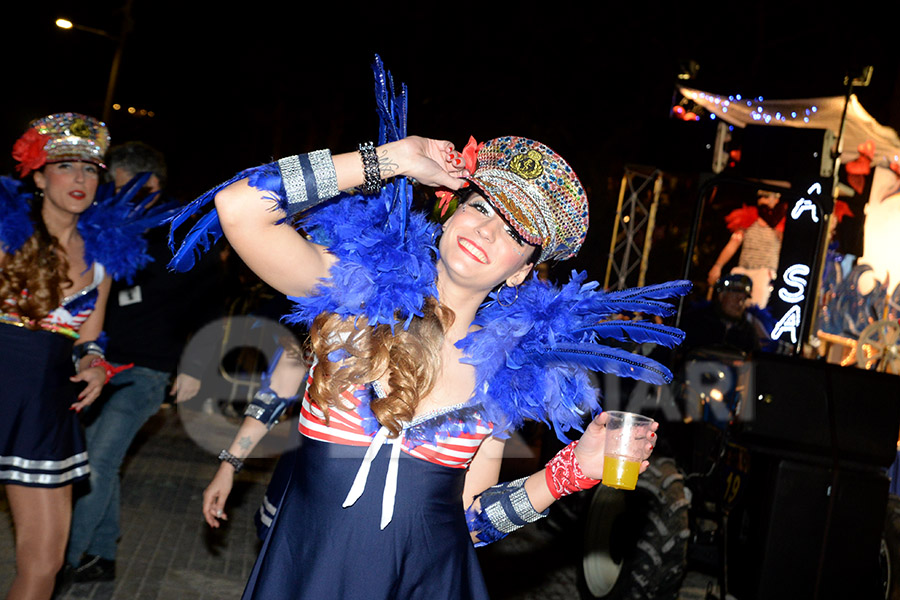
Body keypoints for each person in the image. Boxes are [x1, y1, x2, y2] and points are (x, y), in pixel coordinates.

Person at [168, 64, 688, 599]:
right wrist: (389, 160)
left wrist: (568, 474)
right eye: (482, 207)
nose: (486, 229)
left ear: (520, 272)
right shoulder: (354, 297)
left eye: (514, 234)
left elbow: (471, 524)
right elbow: (239, 205)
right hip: (308, 572)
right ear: (452, 212)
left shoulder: (504, 377)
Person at [0, 114, 160, 600]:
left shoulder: (103, 254)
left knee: (46, 564)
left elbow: (88, 338)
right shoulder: (6, 235)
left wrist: (93, 365)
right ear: (40, 174)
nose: (80, 180)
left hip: (47, 408)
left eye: (91, 170)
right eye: (66, 166)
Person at [65, 141, 224, 582]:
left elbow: (209, 303)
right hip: (97, 364)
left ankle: (64, 561)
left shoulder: (182, 233)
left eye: (120, 187)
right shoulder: (108, 224)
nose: (110, 196)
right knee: (101, 460)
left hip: (146, 369)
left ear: (150, 184)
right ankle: (101, 555)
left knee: (97, 463)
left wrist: (195, 365)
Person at [707, 189, 785, 308]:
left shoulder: (780, 224)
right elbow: (733, 243)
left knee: (755, 308)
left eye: (766, 196)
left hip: (764, 273)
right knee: (730, 305)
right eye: (760, 196)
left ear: (776, 199)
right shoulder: (749, 219)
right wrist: (718, 265)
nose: (762, 200)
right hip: (743, 271)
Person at [680, 273, 762, 355]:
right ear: (721, 296)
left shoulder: (749, 333)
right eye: (735, 297)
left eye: (743, 299)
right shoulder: (695, 321)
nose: (739, 303)